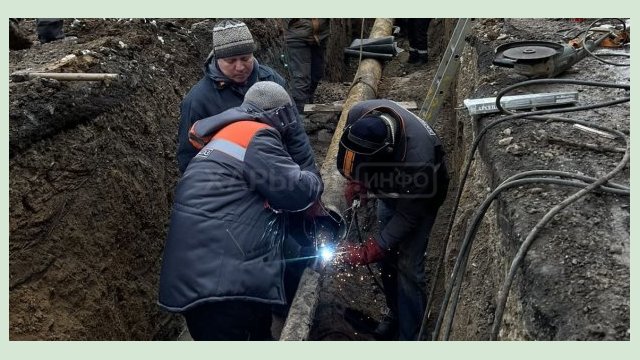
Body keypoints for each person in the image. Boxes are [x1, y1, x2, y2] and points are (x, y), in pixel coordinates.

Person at [158, 81, 324, 340]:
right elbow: (295, 191)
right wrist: (314, 179)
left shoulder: (224, 135)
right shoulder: (256, 135)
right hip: (224, 286)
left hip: (198, 278)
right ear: (281, 116)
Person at [335, 99, 449, 340]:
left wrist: (373, 248)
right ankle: (394, 311)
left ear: (384, 155)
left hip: (420, 198)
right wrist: (357, 181)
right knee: (387, 257)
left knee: (407, 265)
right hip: (390, 185)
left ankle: (411, 335)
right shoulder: (359, 114)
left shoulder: (419, 161)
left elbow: (407, 216)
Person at [283, 19, 330, 113]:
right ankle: (299, 114)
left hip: (319, 37)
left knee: (317, 74)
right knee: (301, 78)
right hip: (297, 37)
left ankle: (307, 103)